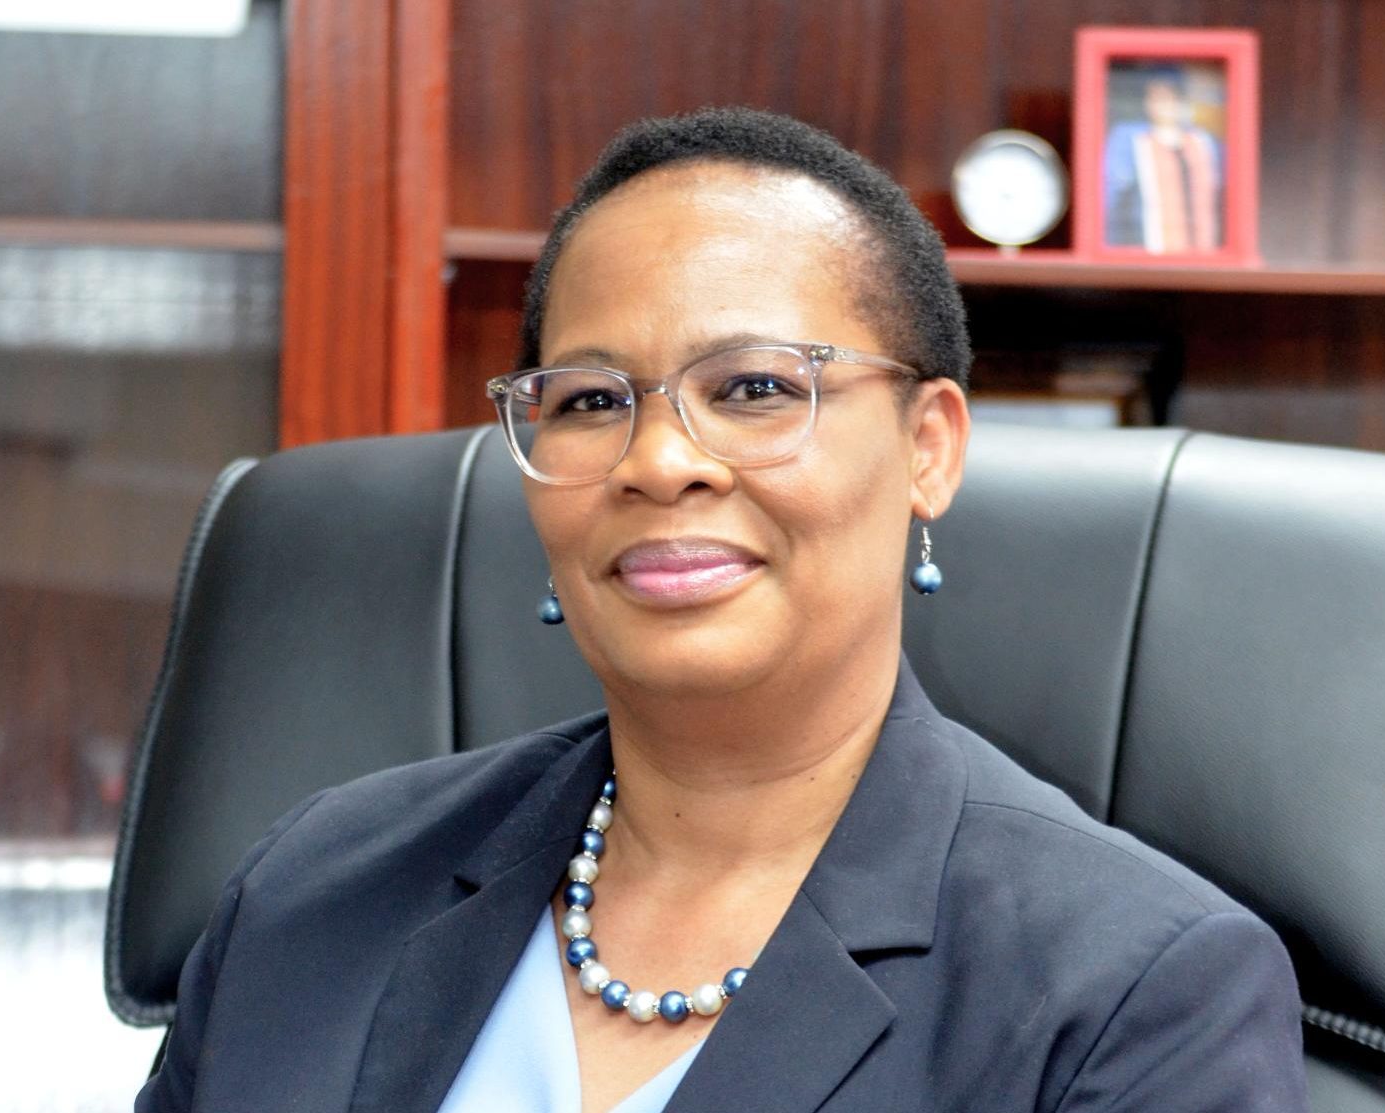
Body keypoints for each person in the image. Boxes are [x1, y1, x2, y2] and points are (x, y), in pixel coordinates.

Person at [136, 107, 1306, 1112]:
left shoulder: (1139, 991)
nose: (657, 462)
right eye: (591, 401)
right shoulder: (315, 886)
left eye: (753, 387)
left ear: (929, 447)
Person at [1104, 67, 1223, 252]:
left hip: (1202, 254)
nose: (1165, 105)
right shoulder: (1130, 142)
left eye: (1171, 98)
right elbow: (1112, 196)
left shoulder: (1205, 143)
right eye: (1158, 98)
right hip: (1145, 250)